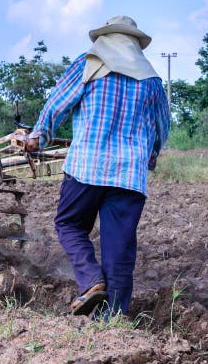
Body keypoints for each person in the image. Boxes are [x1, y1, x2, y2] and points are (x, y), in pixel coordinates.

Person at [27, 16, 169, 318]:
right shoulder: (152, 79)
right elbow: (161, 126)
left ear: (105, 40)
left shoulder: (88, 64)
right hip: (130, 176)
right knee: (119, 251)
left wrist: (37, 139)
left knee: (69, 224)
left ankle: (91, 281)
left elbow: (57, 105)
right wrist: (151, 154)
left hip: (87, 167)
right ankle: (113, 319)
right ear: (134, 45)